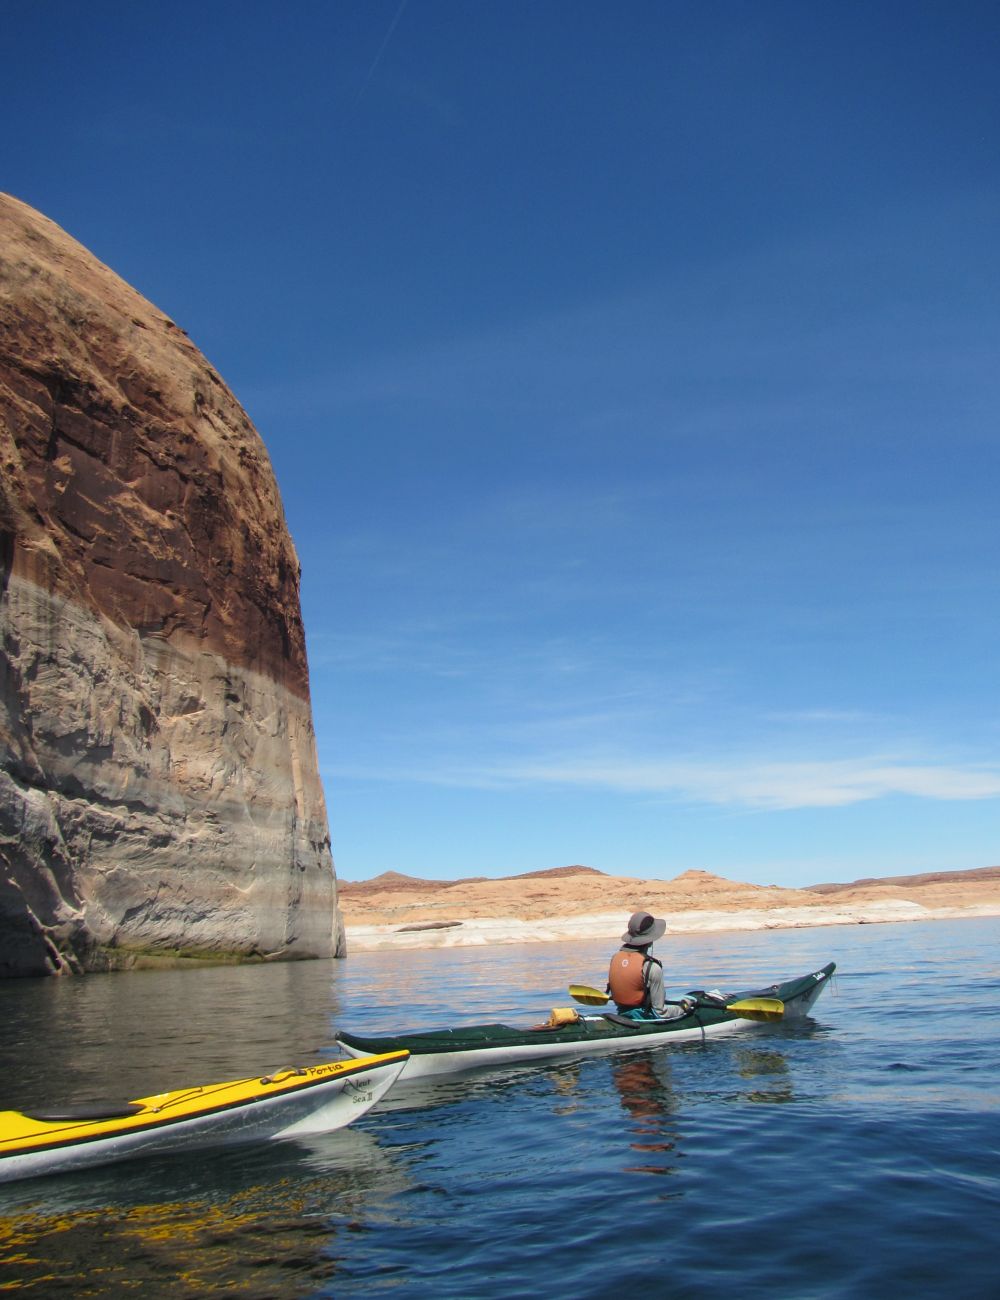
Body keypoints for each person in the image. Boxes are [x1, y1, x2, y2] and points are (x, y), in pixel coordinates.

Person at [607, 910, 688, 1020]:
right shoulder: (652, 968)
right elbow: (660, 1012)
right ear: (650, 940)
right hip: (644, 1019)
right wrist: (683, 1007)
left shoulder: (615, 958)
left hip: (621, 1015)